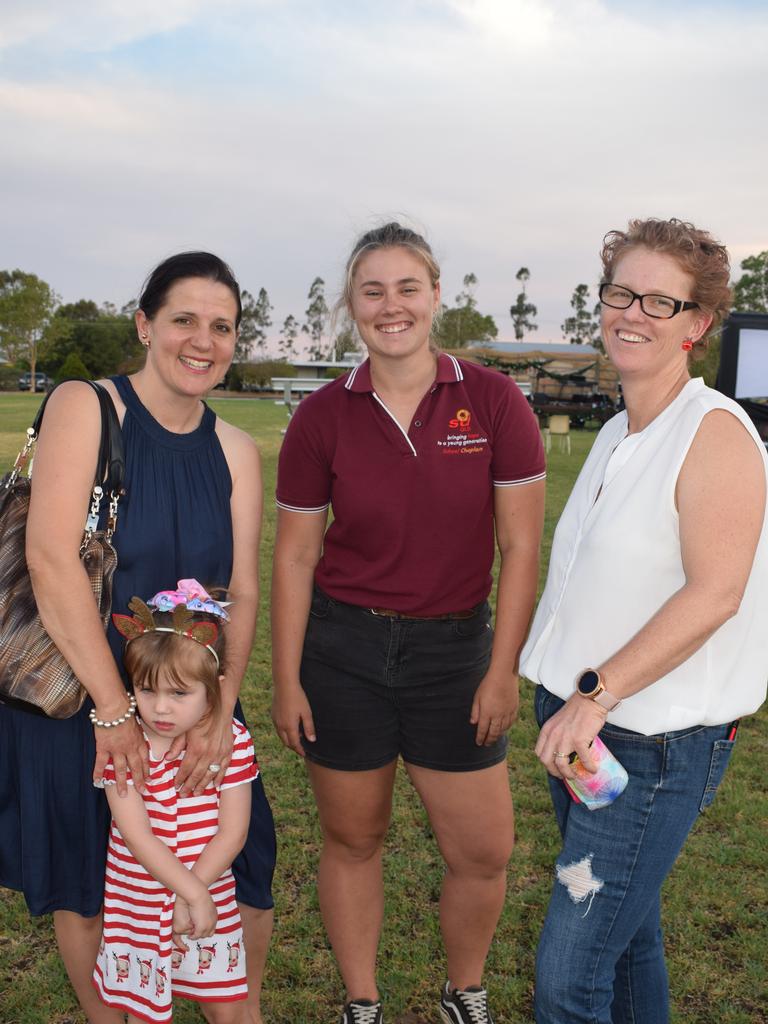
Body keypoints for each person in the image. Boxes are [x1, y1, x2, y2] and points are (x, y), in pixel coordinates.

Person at [271, 222, 546, 1024]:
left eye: (407, 288)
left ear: (435, 296)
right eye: (372, 290)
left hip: (455, 653)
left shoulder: (493, 399)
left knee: (484, 850)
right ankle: (363, 1002)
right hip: (344, 650)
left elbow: (521, 545)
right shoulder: (321, 415)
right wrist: (286, 678)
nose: (391, 306)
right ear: (353, 306)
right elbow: (293, 558)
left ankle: (466, 991)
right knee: (354, 839)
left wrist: (501, 669)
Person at [0, 252, 275, 1024]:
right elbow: (51, 558)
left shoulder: (235, 453)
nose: (203, 340)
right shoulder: (89, 407)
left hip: (194, 703)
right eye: (184, 319)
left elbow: (244, 591)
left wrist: (222, 714)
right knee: (88, 889)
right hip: (83, 701)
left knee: (245, 877)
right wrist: (116, 711)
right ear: (145, 324)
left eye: (222, 327)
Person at [520, 217, 768, 1024]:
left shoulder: (715, 432)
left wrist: (596, 694)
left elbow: (716, 592)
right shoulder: (621, 430)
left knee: (568, 978)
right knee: (626, 946)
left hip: (646, 741)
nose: (631, 312)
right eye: (620, 292)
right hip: (582, 727)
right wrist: (569, 700)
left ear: (698, 324)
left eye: (659, 301)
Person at [93, 581, 255, 1024]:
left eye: (179, 694)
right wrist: (189, 893)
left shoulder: (233, 744)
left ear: (215, 691)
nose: (160, 709)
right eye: (146, 691)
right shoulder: (125, 749)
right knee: (144, 1011)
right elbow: (135, 833)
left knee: (225, 1005)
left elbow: (233, 831)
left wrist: (195, 893)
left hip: (209, 890)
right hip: (139, 902)